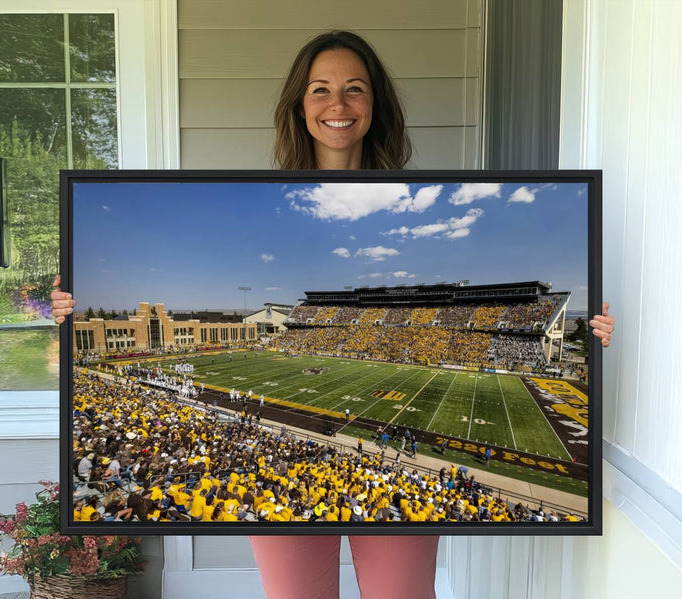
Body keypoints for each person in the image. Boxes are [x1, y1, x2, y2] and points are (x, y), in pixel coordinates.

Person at [52, 29, 615, 599]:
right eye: (320, 89)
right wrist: (64, 313)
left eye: (355, 89)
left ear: (375, 105)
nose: (337, 105)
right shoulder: (260, 190)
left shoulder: (425, 190)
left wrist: (591, 337)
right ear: (300, 104)